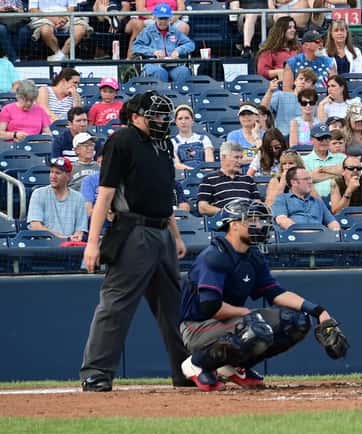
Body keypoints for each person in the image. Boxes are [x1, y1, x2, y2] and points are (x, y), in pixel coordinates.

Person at [80, 91, 191, 392]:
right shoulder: (122, 140)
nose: (162, 120)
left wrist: (176, 235)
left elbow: (164, 195)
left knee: (174, 308)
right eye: (155, 115)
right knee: (116, 304)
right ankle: (96, 372)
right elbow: (105, 194)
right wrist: (93, 243)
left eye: (163, 115)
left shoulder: (165, 145)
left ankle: (186, 371)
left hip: (162, 232)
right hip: (133, 230)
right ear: (135, 116)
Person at [178, 198, 347, 391]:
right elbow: (210, 306)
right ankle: (198, 364)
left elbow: (275, 293)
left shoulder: (253, 255)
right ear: (234, 225)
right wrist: (246, 314)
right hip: (197, 326)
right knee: (255, 327)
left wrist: (319, 312)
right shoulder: (215, 255)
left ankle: (235, 367)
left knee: (297, 322)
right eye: (252, 220)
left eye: (259, 220)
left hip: (229, 322)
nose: (259, 225)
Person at [26, 156, 87, 240]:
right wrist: (63, 238)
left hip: (69, 244)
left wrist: (73, 239)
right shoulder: (38, 194)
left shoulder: (79, 198)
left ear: (68, 176)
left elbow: (80, 230)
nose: (53, 176)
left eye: (58, 173)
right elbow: (36, 226)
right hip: (43, 243)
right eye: (51, 172)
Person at [131, 4, 195, 83]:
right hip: (153, 64)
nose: (163, 21)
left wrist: (178, 50)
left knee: (183, 71)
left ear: (170, 18)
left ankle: (181, 92)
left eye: (165, 18)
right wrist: (153, 52)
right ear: (155, 18)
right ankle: (161, 92)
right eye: (160, 18)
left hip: (173, 65)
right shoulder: (148, 31)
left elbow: (190, 44)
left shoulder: (175, 31)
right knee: (159, 72)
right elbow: (136, 46)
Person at [197, 141, 261, 217]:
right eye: (236, 157)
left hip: (246, 219)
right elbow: (203, 208)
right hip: (223, 221)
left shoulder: (248, 180)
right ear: (223, 157)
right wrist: (228, 214)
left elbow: (257, 204)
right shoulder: (209, 179)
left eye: (241, 158)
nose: (240, 161)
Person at [272, 166, 341, 230]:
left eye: (310, 178)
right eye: (306, 179)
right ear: (294, 182)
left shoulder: (317, 202)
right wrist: (303, 231)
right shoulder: (282, 199)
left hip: (319, 236)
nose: (310, 182)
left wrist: (336, 232)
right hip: (294, 236)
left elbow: (332, 222)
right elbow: (282, 220)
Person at [263, 67, 318, 137]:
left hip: (304, 138)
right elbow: (263, 110)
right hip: (282, 137)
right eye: (301, 79)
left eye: (307, 81)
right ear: (295, 81)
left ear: (312, 86)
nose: (303, 82)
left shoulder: (312, 103)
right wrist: (270, 91)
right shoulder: (280, 95)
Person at [303, 123, 345, 198]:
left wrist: (320, 172)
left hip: (340, 199)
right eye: (320, 138)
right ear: (311, 140)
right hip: (314, 200)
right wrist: (337, 173)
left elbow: (348, 173)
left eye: (327, 138)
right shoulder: (303, 160)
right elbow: (304, 181)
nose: (324, 141)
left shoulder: (342, 157)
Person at [256, 16, 301, 82]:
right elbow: (262, 71)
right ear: (281, 30)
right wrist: (280, 72)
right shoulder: (269, 50)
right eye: (289, 27)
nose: (293, 30)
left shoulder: (298, 48)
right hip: (279, 83)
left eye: (294, 27)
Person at [171, 104, 215, 169]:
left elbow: (210, 163)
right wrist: (193, 171)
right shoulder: (172, 142)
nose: (183, 122)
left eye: (187, 118)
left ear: (192, 120)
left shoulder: (204, 139)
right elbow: (177, 165)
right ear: (176, 122)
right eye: (180, 119)